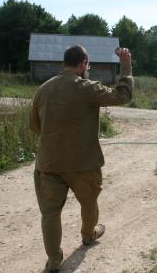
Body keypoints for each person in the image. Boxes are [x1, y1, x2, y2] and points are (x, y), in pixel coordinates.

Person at [29, 45, 133, 273]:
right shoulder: (87, 88)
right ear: (83, 64)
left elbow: (36, 127)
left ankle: (54, 261)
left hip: (48, 164)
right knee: (88, 202)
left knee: (50, 213)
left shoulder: (43, 89)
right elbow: (122, 96)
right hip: (83, 164)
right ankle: (88, 235)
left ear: (64, 63)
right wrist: (126, 67)